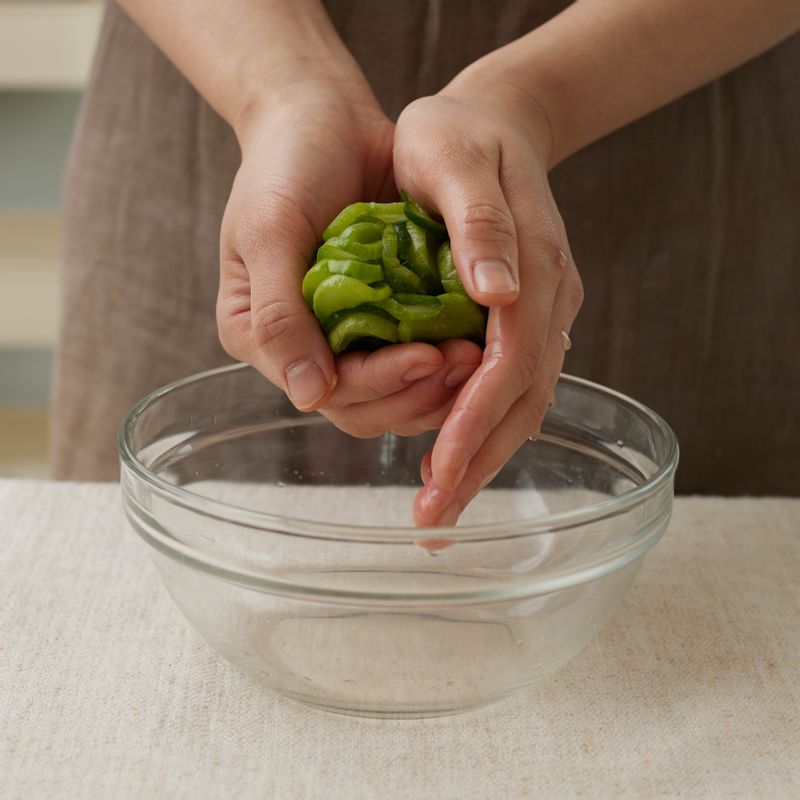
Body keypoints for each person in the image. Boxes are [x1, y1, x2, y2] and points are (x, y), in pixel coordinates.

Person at [51, 1, 800, 524]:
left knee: (701, 560)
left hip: (671, 85)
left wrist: (536, 98)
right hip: (222, 67)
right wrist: (281, 90)